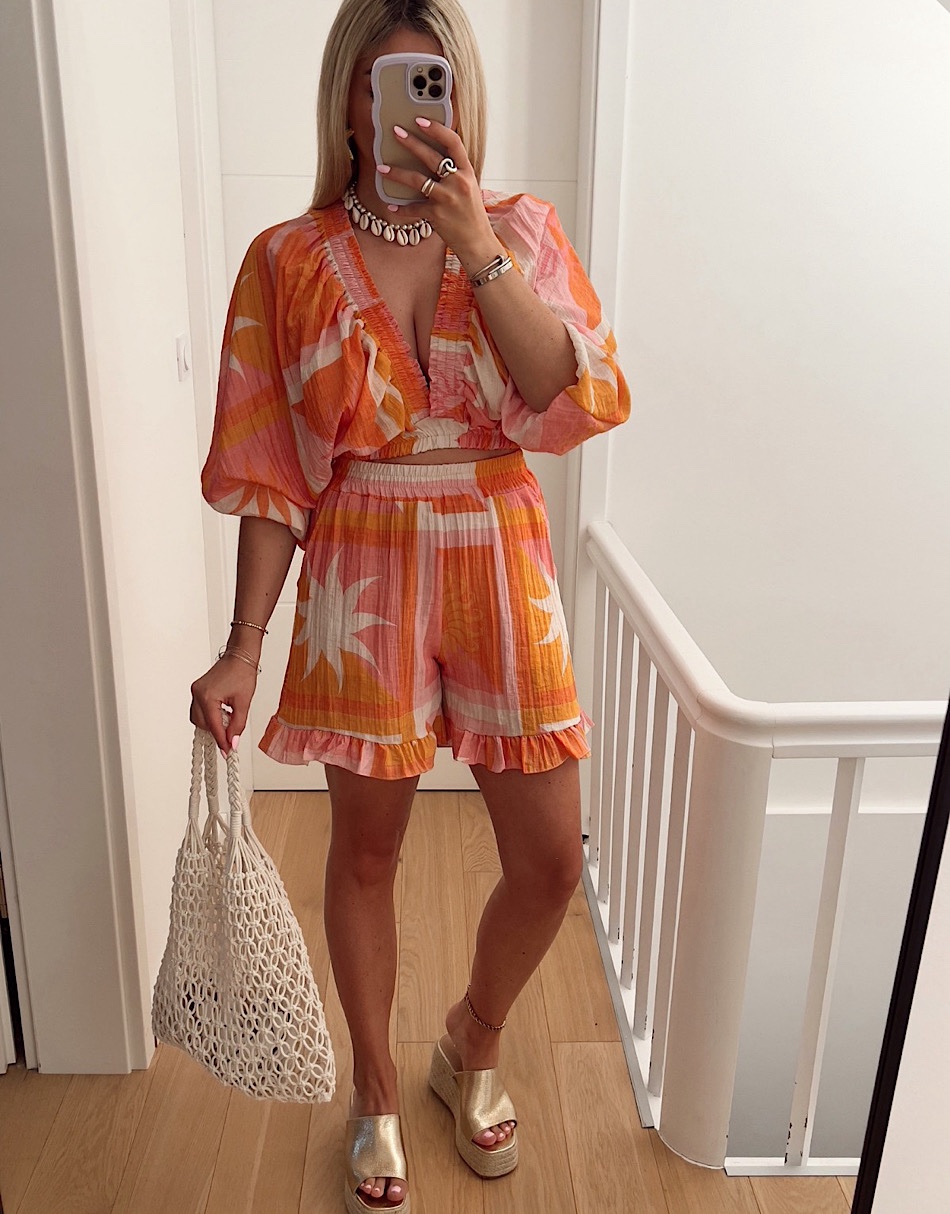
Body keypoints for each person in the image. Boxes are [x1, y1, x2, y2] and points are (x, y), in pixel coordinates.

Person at [190, 0, 629, 1208]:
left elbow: (566, 391)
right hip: (361, 558)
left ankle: (468, 1045)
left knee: (548, 859)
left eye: (428, 81)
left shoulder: (519, 230)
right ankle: (376, 1088)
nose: (400, 109)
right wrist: (241, 647)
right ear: (345, 104)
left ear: (459, 96)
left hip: (498, 546)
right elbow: (270, 469)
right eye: (377, 84)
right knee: (369, 850)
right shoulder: (287, 259)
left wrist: (476, 244)